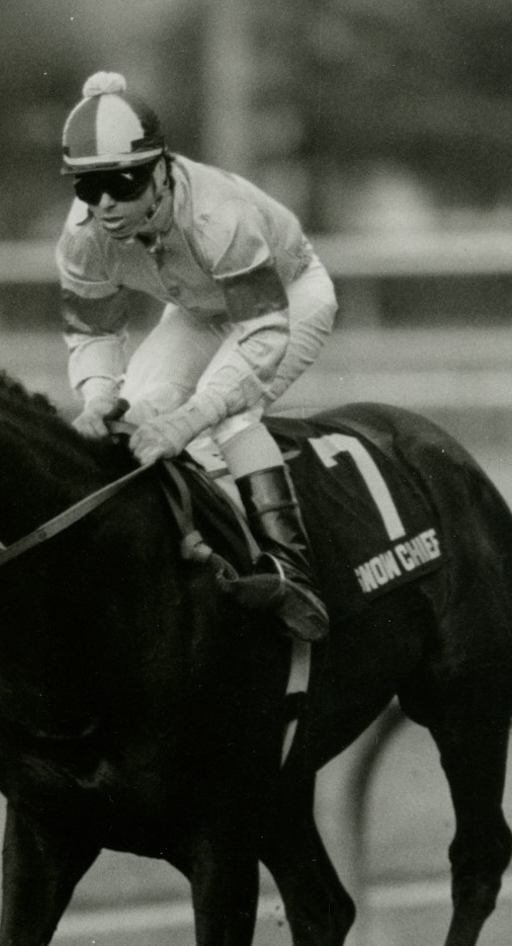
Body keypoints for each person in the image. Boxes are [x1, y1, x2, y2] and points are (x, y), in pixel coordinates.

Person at [55, 71, 338, 642]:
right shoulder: (83, 237)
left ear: (161, 169)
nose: (106, 204)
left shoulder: (217, 214)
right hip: (200, 309)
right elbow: (93, 331)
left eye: (123, 182)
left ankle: (292, 572)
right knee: (136, 412)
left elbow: (261, 332)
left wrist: (191, 417)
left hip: (286, 299)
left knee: (224, 417)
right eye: (89, 186)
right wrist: (98, 396)